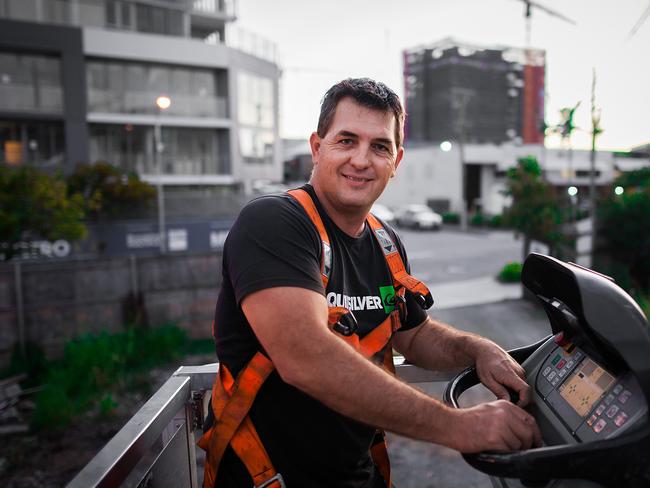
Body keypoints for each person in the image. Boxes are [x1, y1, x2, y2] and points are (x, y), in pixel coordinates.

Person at [199, 78, 541, 488]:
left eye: (379, 146)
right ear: (316, 147)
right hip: (267, 479)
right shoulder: (274, 223)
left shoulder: (385, 242)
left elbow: (413, 336)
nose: (362, 160)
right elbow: (304, 356)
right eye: (346, 140)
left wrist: (477, 348)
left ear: (395, 161)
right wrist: (457, 426)